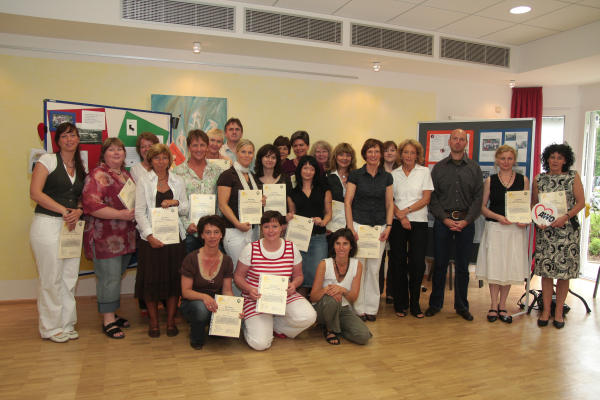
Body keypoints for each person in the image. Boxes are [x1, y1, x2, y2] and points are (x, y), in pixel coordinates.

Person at [29, 122, 86, 343]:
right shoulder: (47, 160)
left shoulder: (80, 166)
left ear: (78, 139)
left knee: (69, 277)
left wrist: (79, 211)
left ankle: (67, 323)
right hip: (47, 225)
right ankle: (50, 328)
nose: (69, 139)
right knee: (50, 278)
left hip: (71, 228)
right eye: (64, 136)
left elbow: (81, 196)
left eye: (73, 135)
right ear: (58, 140)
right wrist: (65, 211)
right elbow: (35, 192)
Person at [234, 211, 317, 351]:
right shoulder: (251, 249)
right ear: (261, 228)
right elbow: (238, 277)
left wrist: (294, 284)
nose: (271, 230)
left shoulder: (291, 248)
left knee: (309, 317)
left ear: (282, 228)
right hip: (256, 299)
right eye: (266, 226)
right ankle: (248, 324)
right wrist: (249, 289)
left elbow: (299, 276)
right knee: (260, 344)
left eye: (275, 226)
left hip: (284, 297)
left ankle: (277, 326)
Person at [82, 138, 137, 339]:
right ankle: (108, 321)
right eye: (111, 150)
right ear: (103, 154)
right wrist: (120, 214)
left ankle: (111, 313)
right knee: (109, 278)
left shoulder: (125, 174)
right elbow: (91, 205)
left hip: (125, 237)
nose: (116, 153)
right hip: (105, 237)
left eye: (119, 150)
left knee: (117, 276)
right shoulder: (97, 175)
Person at [426, 129, 483, 321]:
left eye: (462, 139)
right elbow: (432, 198)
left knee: (462, 267)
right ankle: (435, 304)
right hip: (443, 222)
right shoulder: (439, 168)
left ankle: (461, 306)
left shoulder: (474, 168)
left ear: (466, 143)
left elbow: (478, 198)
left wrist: (466, 221)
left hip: (466, 222)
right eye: (455, 139)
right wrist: (444, 219)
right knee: (440, 264)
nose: (458, 142)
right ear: (449, 142)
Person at [135, 144, 189, 338]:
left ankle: (171, 321)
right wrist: (149, 236)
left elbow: (185, 208)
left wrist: (176, 202)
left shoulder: (178, 180)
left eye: (164, 158)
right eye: (156, 158)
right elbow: (139, 212)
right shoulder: (143, 180)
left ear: (169, 160)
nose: (161, 161)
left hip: (174, 239)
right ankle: (154, 322)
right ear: (150, 160)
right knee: (151, 282)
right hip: (151, 240)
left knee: (174, 281)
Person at [532, 143, 585, 329]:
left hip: (567, 231)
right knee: (546, 273)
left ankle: (559, 311)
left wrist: (565, 217)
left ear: (565, 160)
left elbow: (581, 202)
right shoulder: (539, 179)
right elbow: (534, 205)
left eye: (559, 158)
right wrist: (537, 219)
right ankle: (546, 310)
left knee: (564, 274)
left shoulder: (572, 176)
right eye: (552, 157)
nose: (555, 160)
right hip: (546, 232)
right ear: (547, 159)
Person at [476, 145, 530, 324]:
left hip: (515, 230)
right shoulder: (490, 181)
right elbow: (483, 208)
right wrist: (499, 217)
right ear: (497, 160)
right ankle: (492, 304)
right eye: (502, 158)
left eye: (509, 158)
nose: (506, 162)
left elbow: (526, 207)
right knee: (495, 265)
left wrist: (524, 219)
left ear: (514, 160)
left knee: (508, 266)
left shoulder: (524, 180)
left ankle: (502, 305)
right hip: (495, 228)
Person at [345, 139, 394, 321]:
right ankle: (358, 308)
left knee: (374, 269)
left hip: (379, 228)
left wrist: (389, 226)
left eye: (376, 151)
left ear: (381, 154)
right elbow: (348, 202)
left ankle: (371, 308)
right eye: (370, 151)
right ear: (365, 154)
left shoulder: (387, 177)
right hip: (359, 225)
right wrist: (350, 227)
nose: (373, 155)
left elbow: (390, 204)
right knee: (359, 268)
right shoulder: (356, 175)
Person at [389, 139, 433, 319]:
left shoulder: (424, 172)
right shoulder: (393, 173)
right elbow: (389, 199)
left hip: (418, 222)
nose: (408, 156)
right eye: (405, 152)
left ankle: (415, 303)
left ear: (417, 155)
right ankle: (401, 303)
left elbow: (426, 199)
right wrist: (400, 215)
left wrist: (405, 213)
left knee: (416, 264)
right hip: (397, 222)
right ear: (401, 154)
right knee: (398, 263)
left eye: (412, 153)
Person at [180, 215, 235, 349]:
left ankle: (214, 327)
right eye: (208, 232)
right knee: (201, 309)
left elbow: (227, 291)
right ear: (202, 235)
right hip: (193, 302)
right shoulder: (191, 258)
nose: (212, 236)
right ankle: (196, 337)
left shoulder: (227, 260)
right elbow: (185, 292)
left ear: (222, 234)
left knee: (233, 320)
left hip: (215, 302)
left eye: (216, 232)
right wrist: (204, 297)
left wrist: (233, 308)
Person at [310, 228, 371, 345]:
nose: (341, 247)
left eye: (345, 244)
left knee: (364, 337)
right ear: (333, 246)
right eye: (337, 243)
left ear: (351, 246)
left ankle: (337, 327)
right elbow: (313, 297)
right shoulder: (324, 264)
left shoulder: (357, 265)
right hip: (323, 308)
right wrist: (327, 290)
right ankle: (329, 330)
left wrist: (342, 290)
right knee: (332, 299)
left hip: (343, 309)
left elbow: (353, 298)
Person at [217, 139, 259, 291]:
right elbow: (222, 204)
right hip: (233, 230)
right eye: (243, 151)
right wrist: (236, 223)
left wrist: (260, 202)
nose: (247, 155)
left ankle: (247, 308)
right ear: (236, 153)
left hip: (252, 230)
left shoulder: (252, 176)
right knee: (238, 271)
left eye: (250, 152)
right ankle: (235, 309)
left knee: (250, 270)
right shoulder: (228, 175)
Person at [287, 156, 332, 296]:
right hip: (298, 239)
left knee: (317, 274)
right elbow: (292, 213)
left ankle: (315, 305)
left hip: (318, 237)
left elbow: (329, 213)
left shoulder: (324, 190)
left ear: (316, 171)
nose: (308, 171)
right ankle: (301, 306)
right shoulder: (292, 192)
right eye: (305, 168)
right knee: (299, 274)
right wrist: (289, 217)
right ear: (299, 170)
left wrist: (323, 222)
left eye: (311, 169)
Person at [173, 129, 222, 254]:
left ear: (207, 147)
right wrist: (186, 224)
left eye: (202, 145)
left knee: (212, 270)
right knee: (189, 270)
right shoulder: (177, 172)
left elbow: (221, 200)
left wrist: (216, 224)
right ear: (189, 147)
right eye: (195, 145)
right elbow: (175, 202)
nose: (199, 149)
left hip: (212, 233)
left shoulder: (217, 171)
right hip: (189, 232)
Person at [379, 140, 400, 304]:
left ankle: (392, 291)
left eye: (393, 150)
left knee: (394, 256)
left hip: (397, 219)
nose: (389, 153)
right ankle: (378, 290)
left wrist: (398, 212)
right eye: (386, 150)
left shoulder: (401, 171)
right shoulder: (376, 171)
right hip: (379, 218)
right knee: (378, 258)